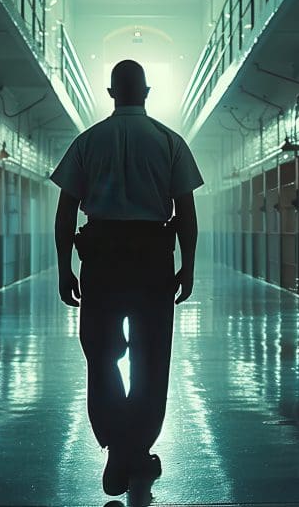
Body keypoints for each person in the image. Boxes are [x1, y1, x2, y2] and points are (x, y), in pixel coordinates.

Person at [50, 59, 203, 496]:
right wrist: (186, 266)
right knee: (151, 357)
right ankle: (135, 446)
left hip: (101, 260)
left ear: (111, 92)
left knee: (100, 353)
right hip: (153, 258)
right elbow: (187, 216)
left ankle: (118, 443)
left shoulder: (87, 142)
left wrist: (65, 269)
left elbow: (64, 215)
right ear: (148, 92)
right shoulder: (170, 143)